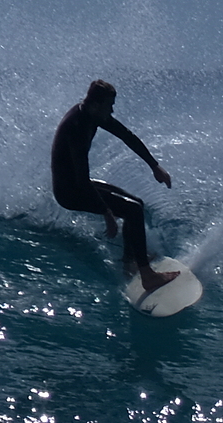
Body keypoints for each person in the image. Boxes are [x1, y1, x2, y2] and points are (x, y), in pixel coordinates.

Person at [50, 80, 179, 292]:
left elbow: (126, 136)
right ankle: (148, 277)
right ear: (95, 104)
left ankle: (131, 263)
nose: (112, 109)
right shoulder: (78, 127)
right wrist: (106, 212)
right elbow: (82, 180)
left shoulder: (92, 114)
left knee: (136, 203)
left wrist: (154, 166)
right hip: (69, 192)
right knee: (133, 210)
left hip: (77, 184)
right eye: (109, 104)